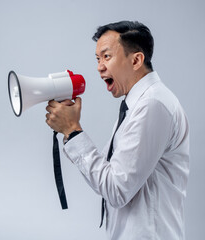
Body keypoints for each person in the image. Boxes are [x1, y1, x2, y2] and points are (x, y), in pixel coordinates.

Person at [45, 21, 189, 240]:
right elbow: (106, 179)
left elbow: (116, 190)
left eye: (107, 56)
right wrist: (69, 132)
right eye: (97, 59)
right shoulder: (136, 104)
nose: (99, 67)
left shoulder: (152, 105)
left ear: (136, 60)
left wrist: (73, 131)